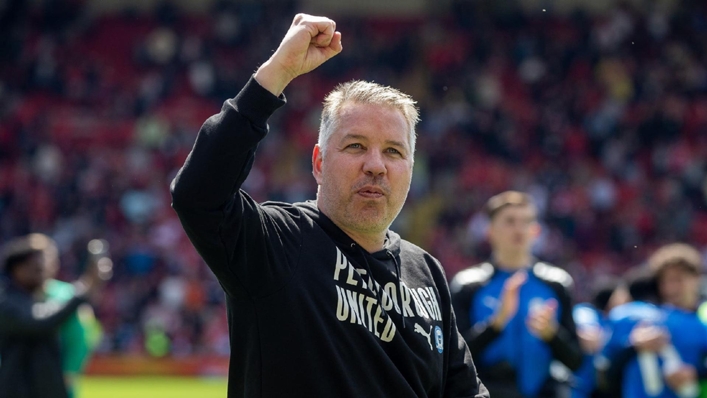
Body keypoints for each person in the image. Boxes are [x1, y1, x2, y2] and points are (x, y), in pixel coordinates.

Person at [170, 13, 488, 398]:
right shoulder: (276, 243)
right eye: (355, 146)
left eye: (393, 151)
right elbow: (198, 193)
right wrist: (277, 73)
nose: (375, 165)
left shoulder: (426, 272)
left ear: (410, 170)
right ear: (319, 162)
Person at [450, 191, 583, 398]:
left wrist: (551, 335)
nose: (519, 229)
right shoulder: (468, 285)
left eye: (526, 221)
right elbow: (453, 361)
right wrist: (496, 324)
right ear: (490, 230)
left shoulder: (557, 283)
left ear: (536, 231)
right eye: (510, 221)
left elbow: (576, 361)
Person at [0, 234, 107, 398]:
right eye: (37, 269)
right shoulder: (7, 302)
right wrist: (84, 290)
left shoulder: (31, 299)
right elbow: (39, 321)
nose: (43, 275)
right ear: (18, 269)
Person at [602, 244, 707, 398]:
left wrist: (696, 373)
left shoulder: (701, 319)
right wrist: (633, 346)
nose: (672, 288)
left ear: (696, 278)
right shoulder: (638, 319)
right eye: (666, 281)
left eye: (678, 279)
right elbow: (604, 374)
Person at [34, 233, 106, 398]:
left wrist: (69, 373)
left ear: (55, 264)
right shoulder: (12, 299)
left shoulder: (67, 296)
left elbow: (80, 340)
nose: (38, 266)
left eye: (43, 259)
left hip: (56, 385)